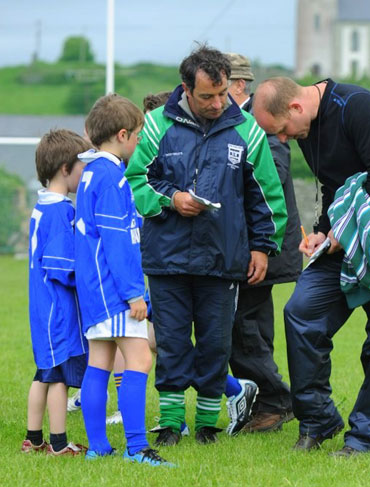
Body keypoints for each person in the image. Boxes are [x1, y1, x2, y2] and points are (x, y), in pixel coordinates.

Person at [252, 76, 370, 456]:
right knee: (302, 312)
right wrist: (323, 233)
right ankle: (317, 421)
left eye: (283, 131)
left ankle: (364, 439)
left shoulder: (357, 107)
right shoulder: (305, 130)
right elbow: (335, 188)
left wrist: (341, 232)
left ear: (296, 108)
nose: (284, 140)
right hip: (345, 239)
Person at [125, 44, 287, 446]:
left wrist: (263, 247)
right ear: (186, 89)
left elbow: (267, 197)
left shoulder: (248, 131)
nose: (217, 104)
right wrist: (170, 199)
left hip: (224, 260)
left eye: (222, 94)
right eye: (207, 97)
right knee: (174, 343)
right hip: (167, 259)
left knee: (216, 344)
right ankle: (170, 424)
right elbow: (135, 183)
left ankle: (208, 427)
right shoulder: (156, 125)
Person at [74, 94, 173, 467]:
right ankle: (138, 448)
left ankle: (99, 448)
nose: (140, 143)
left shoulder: (89, 174)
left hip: (93, 289)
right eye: (138, 136)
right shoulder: (113, 178)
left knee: (100, 361)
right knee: (140, 357)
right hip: (115, 289)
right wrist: (134, 293)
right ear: (121, 134)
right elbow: (118, 243)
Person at [225, 53, 301, 433]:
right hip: (258, 248)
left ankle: (275, 399)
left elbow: (270, 179)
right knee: (252, 326)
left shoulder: (261, 126)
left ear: (238, 85)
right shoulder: (247, 122)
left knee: (241, 327)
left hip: (262, 249)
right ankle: (267, 403)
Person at [24, 129, 91, 456]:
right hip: (56, 309)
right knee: (59, 375)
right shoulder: (61, 211)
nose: (85, 175)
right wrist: (89, 276)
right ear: (66, 168)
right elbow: (61, 267)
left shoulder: (41, 205)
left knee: (44, 373)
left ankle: (33, 439)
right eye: (82, 168)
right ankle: (59, 444)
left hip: (42, 307)